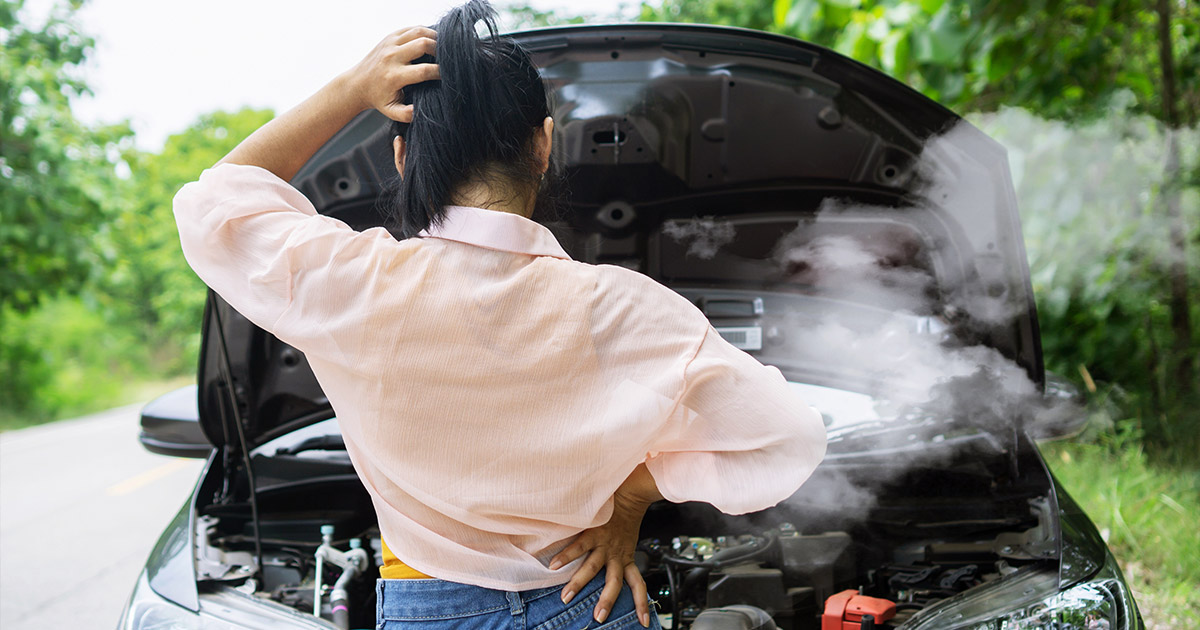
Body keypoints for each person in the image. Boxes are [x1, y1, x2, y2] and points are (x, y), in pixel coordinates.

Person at [173, 1, 826, 628]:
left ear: (402, 159)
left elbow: (211, 207)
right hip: (588, 601)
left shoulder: (350, 284)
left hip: (425, 611)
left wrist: (351, 89)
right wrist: (631, 498)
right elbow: (789, 439)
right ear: (545, 145)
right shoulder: (623, 306)